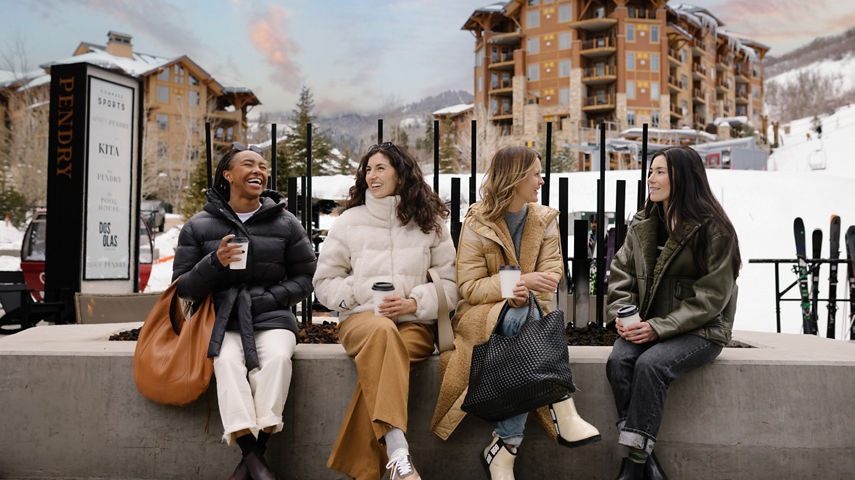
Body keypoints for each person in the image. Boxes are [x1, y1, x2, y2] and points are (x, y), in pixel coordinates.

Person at [431, 146, 600, 479]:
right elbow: (469, 287)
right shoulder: (478, 221)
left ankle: (506, 448)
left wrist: (524, 294)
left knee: (523, 319)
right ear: (516, 177)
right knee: (521, 321)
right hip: (481, 316)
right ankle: (562, 408)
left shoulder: (545, 220)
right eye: (536, 173)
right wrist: (515, 285)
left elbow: (551, 277)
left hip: (531, 312)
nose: (541, 180)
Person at [313, 142, 458, 480]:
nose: (372, 176)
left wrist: (414, 303)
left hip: (413, 326)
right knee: (381, 332)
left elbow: (451, 287)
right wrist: (361, 297)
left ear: (401, 173)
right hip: (363, 322)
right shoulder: (349, 221)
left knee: (386, 355)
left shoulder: (430, 221)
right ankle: (397, 451)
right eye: (368, 169)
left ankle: (370, 471)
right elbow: (324, 282)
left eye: (380, 168)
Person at [172, 142, 316, 480]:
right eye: (248, 164)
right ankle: (254, 458)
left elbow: (306, 276)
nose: (258, 170)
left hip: (271, 315)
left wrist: (269, 298)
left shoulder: (286, 222)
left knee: (278, 360)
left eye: (263, 166)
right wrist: (214, 263)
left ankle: (251, 459)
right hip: (221, 319)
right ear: (228, 174)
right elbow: (182, 287)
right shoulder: (198, 226)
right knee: (225, 362)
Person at [606, 146, 740, 480]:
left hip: (702, 330)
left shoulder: (715, 229)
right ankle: (644, 460)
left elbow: (712, 298)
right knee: (619, 361)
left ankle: (634, 465)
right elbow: (620, 273)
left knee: (651, 365)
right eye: (650, 171)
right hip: (650, 325)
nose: (651, 178)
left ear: (683, 176)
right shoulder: (643, 224)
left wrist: (657, 329)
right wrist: (626, 317)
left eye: (660, 171)